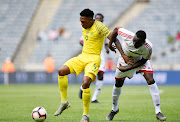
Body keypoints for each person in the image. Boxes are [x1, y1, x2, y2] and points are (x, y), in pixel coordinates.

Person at [54, 9, 112, 122]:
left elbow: (112, 36)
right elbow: (83, 40)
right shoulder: (84, 26)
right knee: (61, 71)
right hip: (82, 56)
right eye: (80, 21)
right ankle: (64, 102)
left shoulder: (100, 27)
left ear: (91, 20)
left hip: (94, 59)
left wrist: (113, 46)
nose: (81, 23)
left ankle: (86, 116)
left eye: (83, 21)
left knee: (85, 83)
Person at [106, 27, 167, 121]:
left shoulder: (148, 47)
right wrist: (112, 46)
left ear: (143, 42)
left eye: (137, 43)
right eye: (134, 41)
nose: (134, 44)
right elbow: (115, 30)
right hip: (124, 59)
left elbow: (144, 61)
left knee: (151, 80)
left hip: (139, 61)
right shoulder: (128, 35)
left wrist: (127, 68)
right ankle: (114, 109)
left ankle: (158, 112)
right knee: (118, 84)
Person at [78, 13, 109, 103]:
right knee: (91, 75)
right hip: (92, 55)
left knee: (101, 75)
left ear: (102, 20)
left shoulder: (103, 29)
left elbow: (106, 42)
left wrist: (107, 48)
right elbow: (81, 41)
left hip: (101, 56)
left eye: (100, 19)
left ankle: (94, 98)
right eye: (97, 19)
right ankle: (82, 87)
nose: (99, 20)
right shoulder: (89, 28)